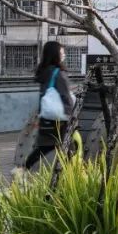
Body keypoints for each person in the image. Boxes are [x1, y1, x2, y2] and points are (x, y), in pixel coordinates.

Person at [22, 41, 75, 170]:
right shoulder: (59, 74)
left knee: (44, 147)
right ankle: (69, 175)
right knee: (69, 146)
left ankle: (24, 168)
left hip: (47, 117)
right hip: (60, 119)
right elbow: (66, 97)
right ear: (55, 55)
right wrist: (72, 115)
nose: (64, 55)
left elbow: (43, 96)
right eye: (61, 53)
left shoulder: (45, 72)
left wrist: (40, 115)